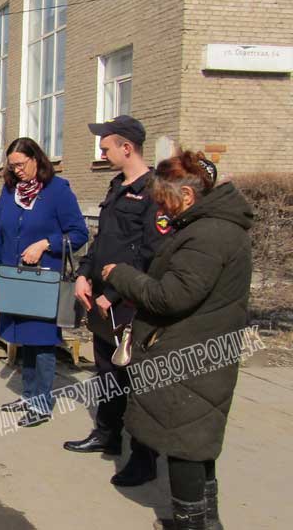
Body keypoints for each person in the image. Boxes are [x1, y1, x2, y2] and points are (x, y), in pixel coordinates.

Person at [101, 151, 251, 529]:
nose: (158, 205)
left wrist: (121, 275)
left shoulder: (208, 234)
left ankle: (190, 524)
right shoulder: (213, 227)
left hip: (190, 358)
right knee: (198, 443)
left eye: (163, 198)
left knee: (185, 446)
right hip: (202, 351)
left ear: (186, 196)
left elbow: (172, 296)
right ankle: (205, 521)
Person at [63, 115, 167, 488]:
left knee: (137, 380)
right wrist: (81, 275)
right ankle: (107, 435)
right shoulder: (117, 186)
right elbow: (103, 239)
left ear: (128, 148)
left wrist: (114, 293)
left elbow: (149, 257)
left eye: (106, 147)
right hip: (101, 301)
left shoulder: (155, 192)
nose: (101, 152)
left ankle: (144, 458)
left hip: (129, 303)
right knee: (107, 370)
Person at [0, 138, 89, 427]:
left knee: (41, 342)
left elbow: (79, 234)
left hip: (43, 282)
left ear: (36, 159)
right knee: (23, 340)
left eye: (21, 164)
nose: (16, 170)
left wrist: (45, 243)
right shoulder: (10, 192)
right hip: (14, 280)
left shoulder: (57, 191)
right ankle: (29, 395)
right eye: (12, 165)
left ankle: (41, 403)